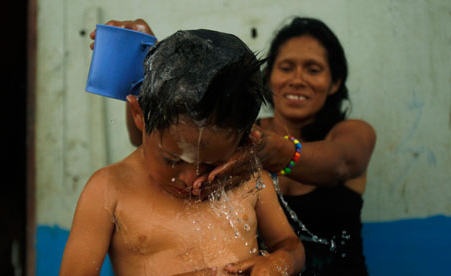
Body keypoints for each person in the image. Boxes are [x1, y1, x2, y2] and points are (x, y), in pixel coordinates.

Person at [61, 27, 305, 276]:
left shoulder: (248, 179)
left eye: (213, 164)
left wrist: (279, 263)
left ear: (245, 139)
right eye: (173, 159)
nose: (193, 180)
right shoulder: (109, 188)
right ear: (139, 115)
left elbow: (291, 246)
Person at [208, 17, 377, 275]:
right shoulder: (242, 132)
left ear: (335, 82)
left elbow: (340, 164)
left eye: (313, 69)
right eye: (286, 68)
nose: (297, 79)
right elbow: (165, 146)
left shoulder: (354, 133)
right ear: (269, 77)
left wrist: (276, 151)